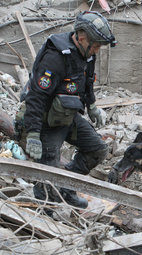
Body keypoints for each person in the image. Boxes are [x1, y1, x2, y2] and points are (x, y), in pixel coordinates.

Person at [17, 11, 116, 209]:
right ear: (81, 38)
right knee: (49, 179)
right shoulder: (56, 57)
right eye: (95, 45)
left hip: (66, 117)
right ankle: (47, 215)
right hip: (44, 121)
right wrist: (34, 133)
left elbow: (87, 82)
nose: (97, 50)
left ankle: (67, 189)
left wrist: (92, 106)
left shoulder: (87, 54)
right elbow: (36, 96)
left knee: (97, 150)